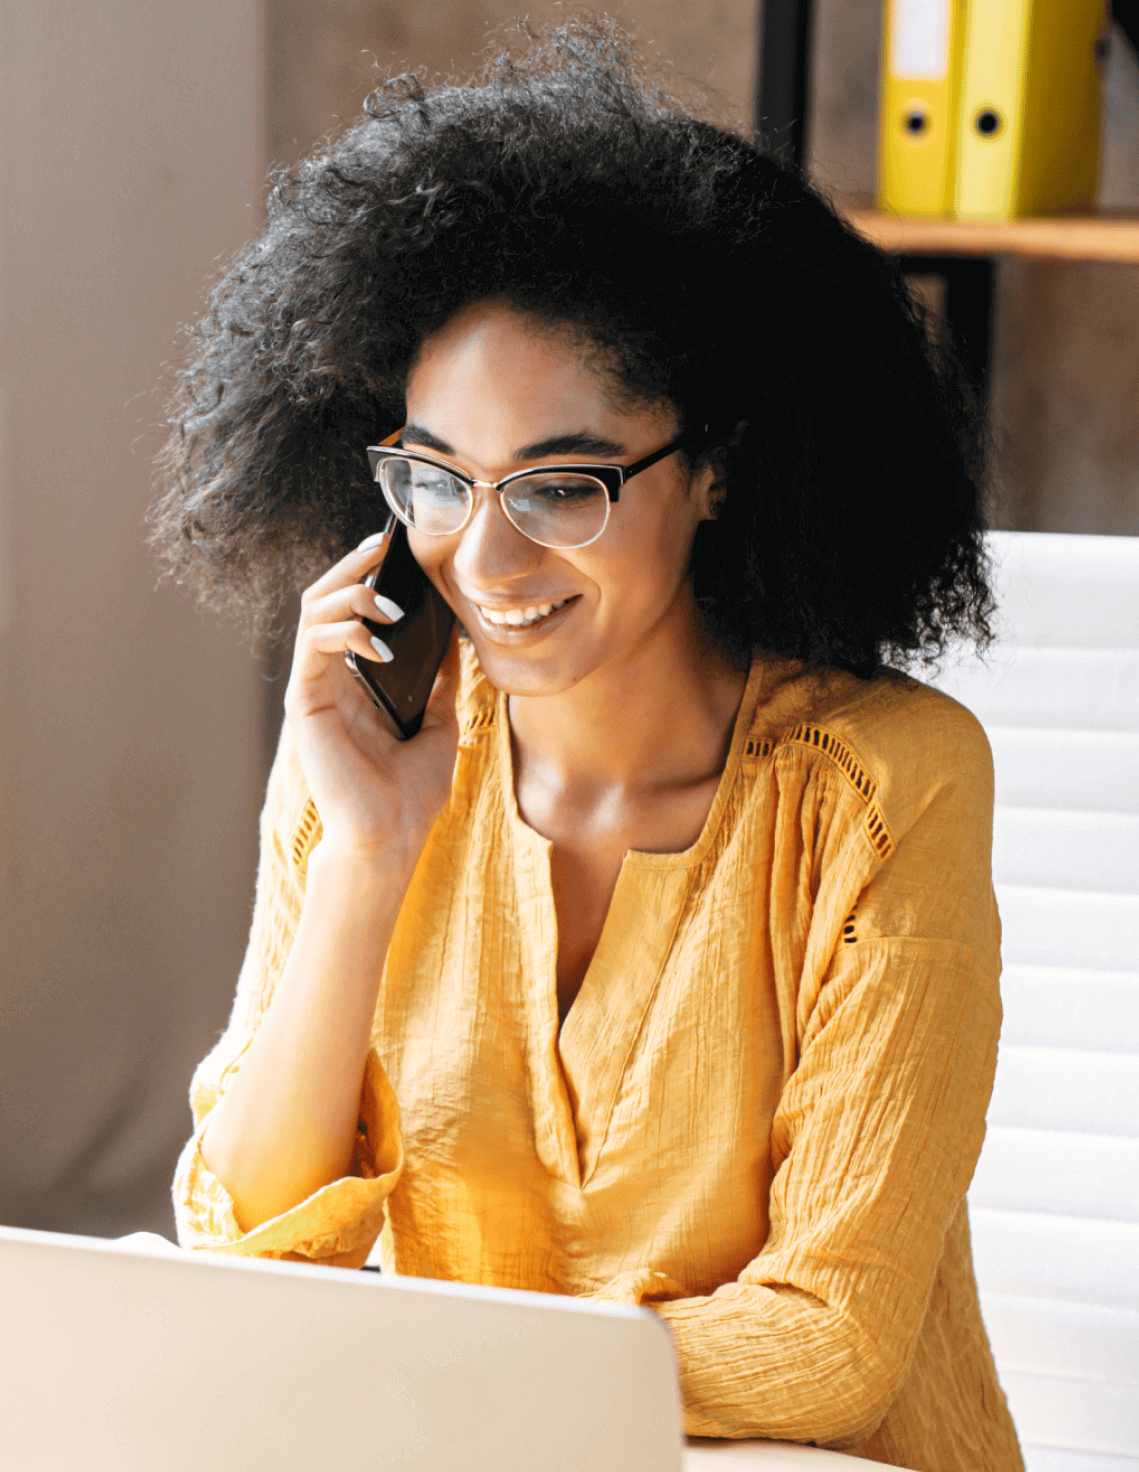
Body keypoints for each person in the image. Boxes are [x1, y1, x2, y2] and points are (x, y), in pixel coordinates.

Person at [152, 21, 1021, 1471]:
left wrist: (423, 1387)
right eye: (432, 476)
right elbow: (239, 1250)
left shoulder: (885, 787)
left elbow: (825, 1342)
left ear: (720, 466)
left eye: (559, 485)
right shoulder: (365, 764)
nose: (478, 554)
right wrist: (367, 858)